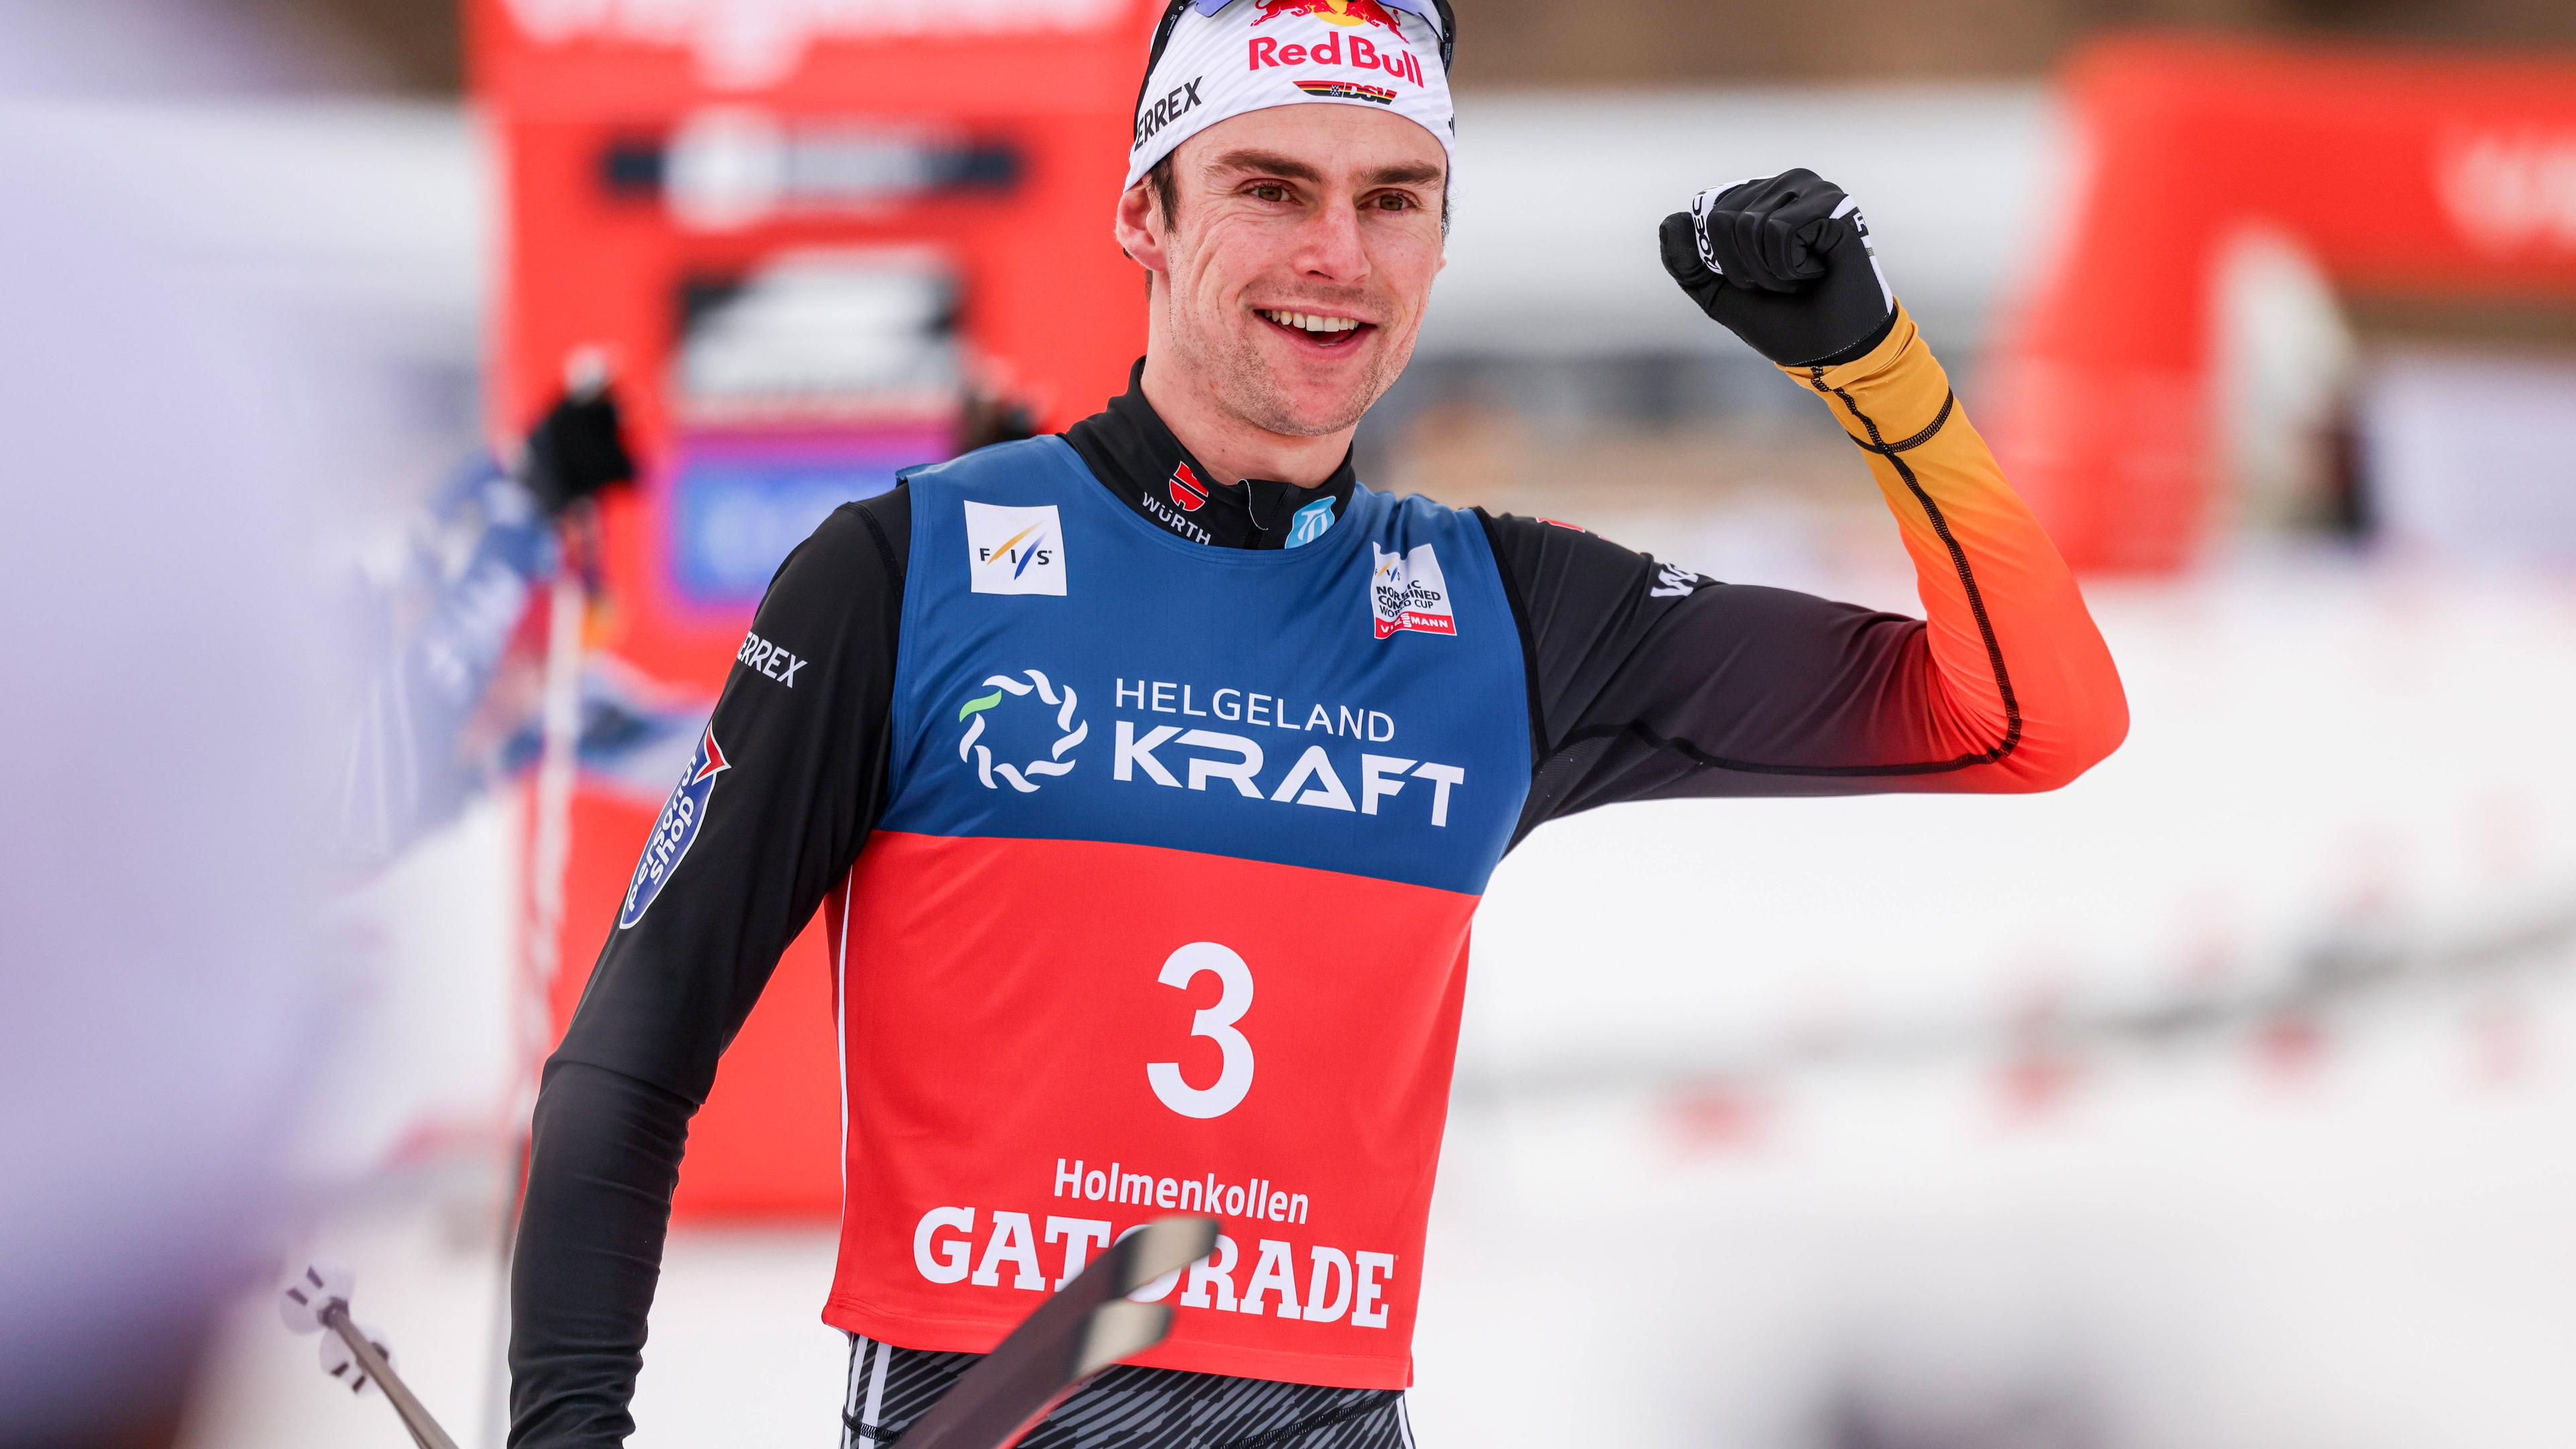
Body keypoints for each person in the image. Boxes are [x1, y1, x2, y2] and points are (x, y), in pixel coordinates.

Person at [507, 1, 2128, 1444]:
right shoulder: (906, 567)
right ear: (1144, 209)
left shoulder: (1509, 612)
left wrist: (1876, 373)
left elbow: (2030, 720)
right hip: (982, 1405)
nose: (1334, 255)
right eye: (1271, 187)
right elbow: (635, 1055)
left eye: (1391, 199)